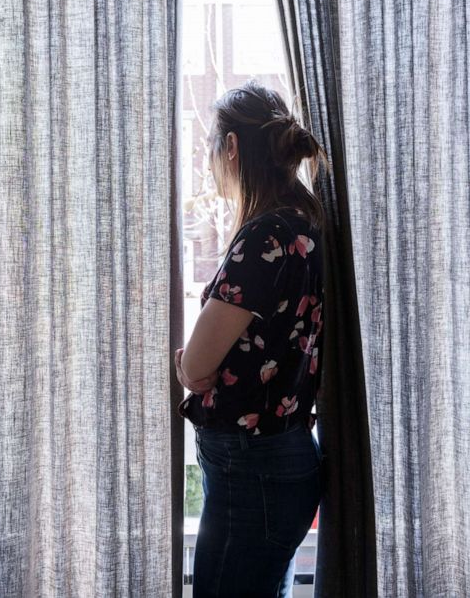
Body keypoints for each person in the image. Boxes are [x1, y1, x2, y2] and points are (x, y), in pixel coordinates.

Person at [176, 79, 330, 597]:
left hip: (253, 469)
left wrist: (189, 367)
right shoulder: (308, 223)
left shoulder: (264, 236)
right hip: (280, 458)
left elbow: (196, 367)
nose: (210, 160)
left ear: (233, 147)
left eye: (211, 147)